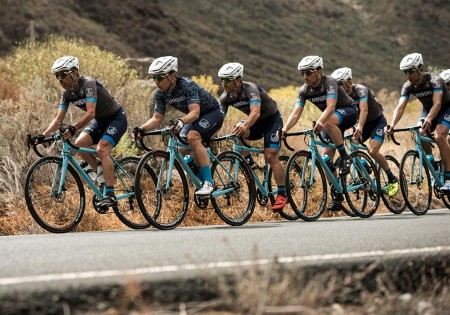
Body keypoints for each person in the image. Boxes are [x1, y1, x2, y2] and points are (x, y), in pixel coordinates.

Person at [40, 56, 127, 207]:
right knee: (79, 144)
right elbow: (58, 120)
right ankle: (102, 177)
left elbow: (90, 113)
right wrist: (42, 136)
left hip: (116, 118)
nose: (59, 79)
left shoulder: (88, 84)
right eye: (57, 76)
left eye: (62, 75)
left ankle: (111, 194)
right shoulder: (67, 94)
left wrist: (74, 127)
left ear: (73, 73)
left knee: (102, 149)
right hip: (101, 121)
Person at [136, 56, 224, 195]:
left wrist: (181, 121)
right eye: (154, 77)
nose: (156, 81)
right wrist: (142, 128)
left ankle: (209, 182)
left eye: (159, 77)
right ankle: (198, 172)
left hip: (212, 113)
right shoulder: (160, 93)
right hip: (194, 118)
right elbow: (156, 118)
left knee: (192, 137)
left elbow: (195, 112)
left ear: (171, 76)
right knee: (179, 151)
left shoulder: (187, 85)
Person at [281, 55, 358, 211]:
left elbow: (330, 107)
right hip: (330, 121)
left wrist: (321, 122)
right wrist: (284, 129)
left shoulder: (329, 82)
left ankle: (345, 156)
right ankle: (337, 192)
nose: (305, 76)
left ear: (318, 71)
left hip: (348, 112)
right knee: (325, 160)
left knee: (328, 123)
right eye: (302, 73)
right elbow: (296, 113)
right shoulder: (304, 90)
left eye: (308, 72)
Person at [217, 62, 288, 212]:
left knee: (270, 156)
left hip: (272, 122)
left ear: (237, 80)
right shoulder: (225, 97)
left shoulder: (250, 89)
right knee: (237, 130)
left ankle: (282, 193)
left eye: (227, 80)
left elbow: (255, 112)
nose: (224, 83)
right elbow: (219, 118)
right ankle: (249, 162)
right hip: (255, 125)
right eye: (222, 80)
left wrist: (245, 125)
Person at [385, 53, 450, 192]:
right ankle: (433, 164)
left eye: (410, 71)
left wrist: (429, 119)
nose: (408, 75)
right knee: (420, 132)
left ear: (420, 68)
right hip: (428, 110)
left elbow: (438, 103)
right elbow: (400, 107)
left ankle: (449, 177)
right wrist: (392, 124)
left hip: (445, 108)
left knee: (440, 136)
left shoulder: (435, 80)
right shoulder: (408, 86)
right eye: (405, 72)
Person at [331, 67, 399, 197]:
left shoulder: (361, 90)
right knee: (351, 143)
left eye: (340, 84)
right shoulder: (340, 96)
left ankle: (392, 178)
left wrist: (360, 126)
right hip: (360, 124)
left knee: (372, 150)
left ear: (349, 82)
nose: (337, 88)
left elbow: (364, 110)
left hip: (376, 123)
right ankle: (363, 165)